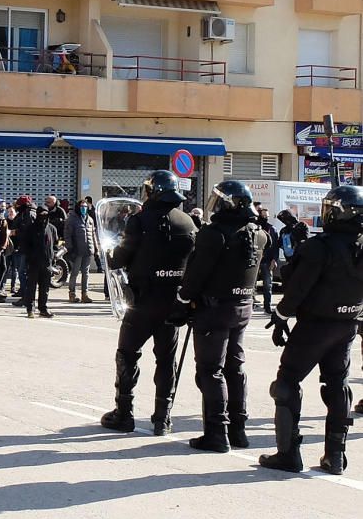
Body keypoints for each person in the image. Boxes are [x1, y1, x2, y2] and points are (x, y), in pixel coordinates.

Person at [259, 186, 363, 475]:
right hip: (347, 324)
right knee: (337, 385)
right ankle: (336, 456)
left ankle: (288, 454)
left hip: (315, 325)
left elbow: (296, 285)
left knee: (287, 382)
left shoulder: (322, 246)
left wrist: (280, 316)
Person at [100, 171, 197, 435]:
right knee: (166, 360)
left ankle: (124, 413)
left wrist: (111, 253)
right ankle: (162, 419)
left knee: (127, 355)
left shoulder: (140, 221)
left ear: (152, 191)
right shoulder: (188, 222)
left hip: (142, 302)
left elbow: (120, 258)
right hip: (172, 303)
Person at [175, 181, 267, 453]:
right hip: (242, 307)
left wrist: (182, 300)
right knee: (235, 367)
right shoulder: (258, 233)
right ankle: (238, 430)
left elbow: (197, 273)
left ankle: (217, 433)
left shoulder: (214, 234)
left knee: (210, 370)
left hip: (213, 308)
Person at [22, 205, 58, 319]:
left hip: (47, 264)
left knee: (45, 289)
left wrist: (53, 258)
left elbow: (55, 244)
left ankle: (43, 308)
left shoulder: (52, 228)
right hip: (33, 263)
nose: (43, 217)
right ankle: (30, 309)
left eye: (45, 214)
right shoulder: (30, 228)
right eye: (41, 214)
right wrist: (30, 258)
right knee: (31, 287)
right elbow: (25, 246)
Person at [64, 198, 97, 304]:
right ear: (78, 207)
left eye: (85, 207)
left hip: (88, 250)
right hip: (77, 250)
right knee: (74, 272)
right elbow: (67, 235)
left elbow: (93, 234)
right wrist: (70, 248)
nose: (84, 209)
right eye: (82, 207)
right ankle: (72, 293)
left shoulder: (90, 219)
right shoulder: (72, 219)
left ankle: (85, 294)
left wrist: (96, 248)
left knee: (86, 273)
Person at [255, 205, 279, 315]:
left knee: (267, 285)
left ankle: (267, 306)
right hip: (255, 260)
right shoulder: (255, 228)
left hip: (267, 261)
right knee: (252, 285)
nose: (265, 218)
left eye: (267, 216)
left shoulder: (272, 229)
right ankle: (251, 305)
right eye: (263, 216)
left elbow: (275, 246)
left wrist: (274, 260)